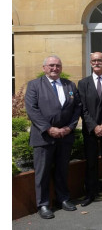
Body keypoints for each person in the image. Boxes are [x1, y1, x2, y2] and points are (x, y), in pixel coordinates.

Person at [25, 55, 81, 219]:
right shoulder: (35, 85)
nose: (54, 68)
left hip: (65, 136)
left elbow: (77, 107)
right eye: (51, 65)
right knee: (42, 173)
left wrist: (69, 128)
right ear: (44, 68)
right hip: (44, 137)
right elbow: (32, 110)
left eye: (57, 65)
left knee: (62, 170)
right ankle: (43, 204)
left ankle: (62, 198)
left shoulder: (69, 85)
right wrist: (49, 129)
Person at [78, 52, 102, 207]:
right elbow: (82, 108)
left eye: (99, 60)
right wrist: (94, 126)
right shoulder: (83, 83)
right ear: (90, 63)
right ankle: (90, 192)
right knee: (91, 161)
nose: (97, 63)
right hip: (90, 130)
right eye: (94, 60)